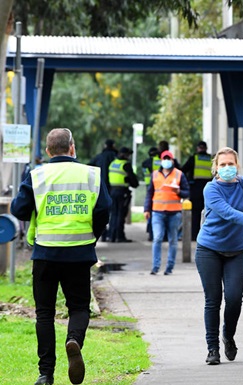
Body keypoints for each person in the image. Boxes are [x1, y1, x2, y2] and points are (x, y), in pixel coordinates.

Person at [10, 128, 111, 385]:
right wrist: (92, 234)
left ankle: (45, 374)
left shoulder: (37, 175)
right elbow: (104, 209)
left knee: (44, 313)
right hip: (79, 254)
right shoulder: (91, 174)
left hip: (45, 254)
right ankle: (73, 339)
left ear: (47, 151)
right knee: (78, 307)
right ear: (72, 148)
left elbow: (19, 210)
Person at [195, 147, 243, 365]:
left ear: (237, 166)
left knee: (234, 299)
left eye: (231, 164)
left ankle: (228, 335)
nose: (227, 168)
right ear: (216, 168)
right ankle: (212, 349)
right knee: (213, 300)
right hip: (209, 249)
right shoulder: (211, 189)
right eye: (223, 165)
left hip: (236, 251)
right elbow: (227, 212)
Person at [144, 150, 189, 275]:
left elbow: (187, 192)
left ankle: (169, 267)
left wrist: (178, 191)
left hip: (174, 213)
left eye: (169, 159)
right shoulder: (155, 175)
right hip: (157, 212)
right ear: (161, 160)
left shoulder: (179, 174)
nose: (167, 161)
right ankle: (155, 266)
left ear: (172, 160)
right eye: (165, 158)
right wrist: (146, 209)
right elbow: (150, 193)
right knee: (157, 238)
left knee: (173, 240)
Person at [181, 141, 213, 240]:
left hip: (195, 189)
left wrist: (187, 183)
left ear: (198, 148)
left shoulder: (193, 158)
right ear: (206, 148)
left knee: (195, 214)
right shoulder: (211, 159)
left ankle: (194, 235)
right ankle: (209, 235)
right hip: (210, 189)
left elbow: (183, 171)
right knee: (210, 213)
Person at [108, 147, 139, 243]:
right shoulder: (126, 165)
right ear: (124, 154)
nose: (129, 156)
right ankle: (120, 236)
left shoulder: (113, 163)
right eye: (128, 154)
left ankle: (111, 236)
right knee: (121, 214)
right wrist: (130, 181)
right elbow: (134, 182)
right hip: (122, 192)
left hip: (112, 191)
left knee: (114, 214)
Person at [88, 139, 117, 241]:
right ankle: (114, 234)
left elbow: (88, 166)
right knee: (113, 211)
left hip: (98, 187)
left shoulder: (99, 157)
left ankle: (103, 235)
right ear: (113, 145)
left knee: (100, 210)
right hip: (113, 187)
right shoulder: (115, 157)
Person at [141, 147, 161, 241]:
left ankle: (150, 233)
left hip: (149, 187)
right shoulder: (160, 161)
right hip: (159, 188)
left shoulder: (144, 163)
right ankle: (155, 234)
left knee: (150, 210)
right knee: (156, 211)